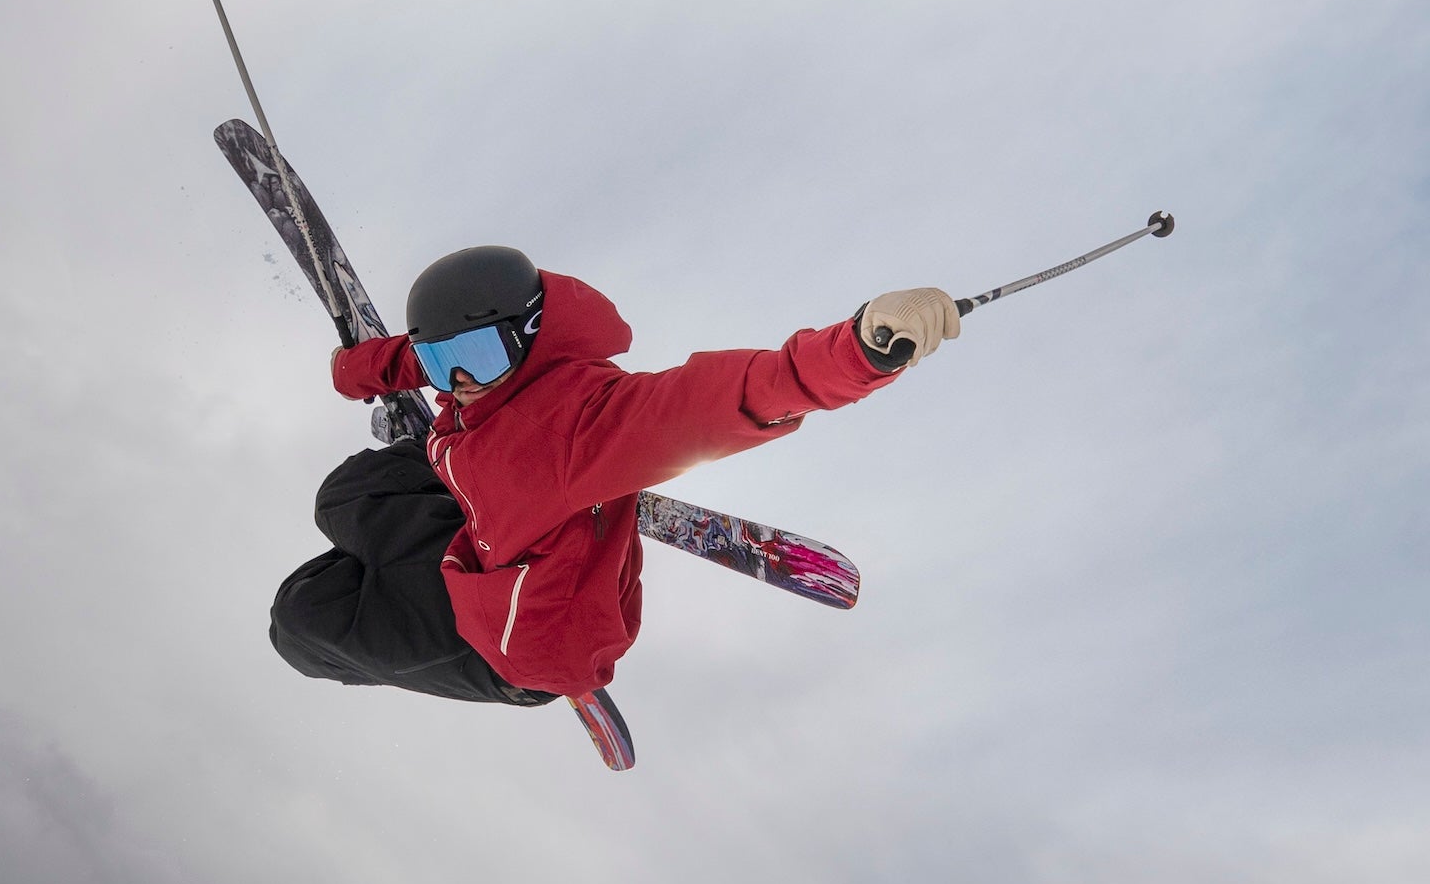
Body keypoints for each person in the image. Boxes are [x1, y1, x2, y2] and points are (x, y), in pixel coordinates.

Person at [279, 245, 959, 701]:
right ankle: (478, 495)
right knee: (341, 496)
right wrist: (355, 372)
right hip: (486, 520)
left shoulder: (585, 425)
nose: (458, 382)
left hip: (508, 639)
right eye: (440, 364)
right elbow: (417, 354)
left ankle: (536, 512)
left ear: (532, 334)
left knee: (301, 615)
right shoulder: (486, 369)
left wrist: (862, 349)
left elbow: (726, 396)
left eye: (478, 358)